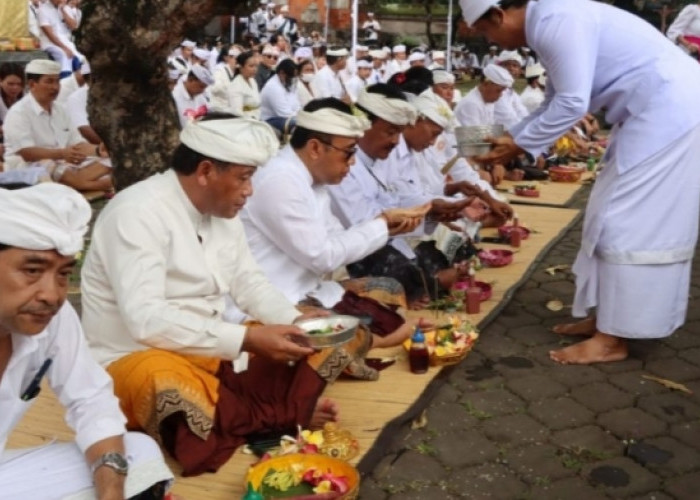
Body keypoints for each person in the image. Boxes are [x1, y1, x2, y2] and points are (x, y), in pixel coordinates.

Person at [80, 116, 340, 476]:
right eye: (245, 177)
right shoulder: (137, 212)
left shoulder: (223, 212)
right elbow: (146, 319)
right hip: (134, 359)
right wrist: (247, 339)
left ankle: (260, 413)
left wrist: (294, 320)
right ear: (205, 171)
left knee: (317, 335)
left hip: (208, 351)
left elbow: (249, 282)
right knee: (163, 381)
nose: (250, 190)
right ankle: (283, 414)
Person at [462, 0, 700, 364]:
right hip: (647, 114)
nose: (489, 40)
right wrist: (511, 141)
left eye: (485, 30)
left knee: (627, 222)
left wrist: (518, 145)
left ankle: (612, 338)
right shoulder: (548, 23)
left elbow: (573, 104)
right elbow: (554, 102)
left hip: (670, 111)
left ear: (499, 14)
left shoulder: (556, 18)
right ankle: (608, 318)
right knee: (603, 212)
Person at [0, 183, 174, 499]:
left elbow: (92, 401)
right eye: (32, 270)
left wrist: (110, 491)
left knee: (137, 453)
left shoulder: (52, 318)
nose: (52, 294)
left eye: (63, 274)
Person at [240, 98, 429, 340]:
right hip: (280, 301)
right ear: (315, 148)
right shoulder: (280, 180)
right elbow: (322, 257)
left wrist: (387, 226)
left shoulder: (312, 181)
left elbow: (337, 237)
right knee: (353, 340)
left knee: (388, 291)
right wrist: (381, 224)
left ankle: (382, 337)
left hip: (313, 291)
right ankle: (377, 343)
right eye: (349, 153)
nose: (352, 162)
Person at [3, 59, 112, 192]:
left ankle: (85, 182)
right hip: (27, 166)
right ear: (32, 84)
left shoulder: (61, 110)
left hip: (64, 163)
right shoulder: (18, 112)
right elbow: (27, 153)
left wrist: (98, 150)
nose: (55, 87)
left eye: (57, 81)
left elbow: (77, 143)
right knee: (49, 166)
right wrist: (61, 154)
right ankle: (96, 184)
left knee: (110, 160)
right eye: (49, 81)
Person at [37, 0, 82, 78]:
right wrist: (64, 48)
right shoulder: (42, 10)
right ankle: (65, 82)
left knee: (79, 60)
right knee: (63, 55)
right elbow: (50, 34)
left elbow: (74, 26)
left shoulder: (63, 8)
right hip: (50, 43)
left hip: (66, 42)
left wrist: (63, 10)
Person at [260, 58, 301, 133]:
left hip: (287, 116)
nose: (293, 79)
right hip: (270, 119)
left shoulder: (289, 83)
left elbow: (296, 105)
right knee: (299, 125)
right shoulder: (273, 87)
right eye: (291, 76)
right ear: (282, 73)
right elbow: (284, 113)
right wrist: (301, 117)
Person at [229, 51, 262, 119]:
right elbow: (237, 112)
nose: (255, 69)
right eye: (251, 66)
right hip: (245, 122)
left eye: (256, 66)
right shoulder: (236, 85)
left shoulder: (253, 81)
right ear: (241, 67)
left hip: (257, 118)